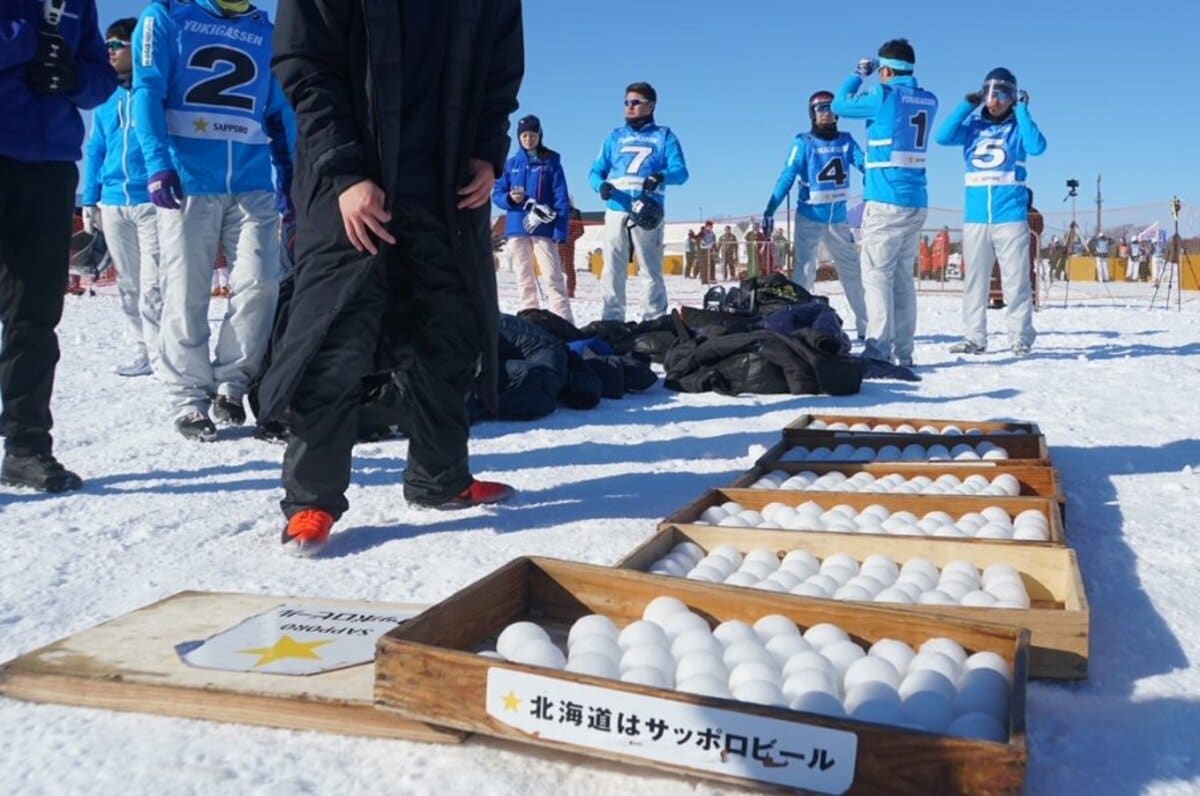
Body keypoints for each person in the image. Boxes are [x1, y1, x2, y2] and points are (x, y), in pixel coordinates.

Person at [264, 1, 524, 553]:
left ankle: (440, 477)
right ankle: (312, 498)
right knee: (334, 337)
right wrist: (344, 170)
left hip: (446, 185)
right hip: (351, 185)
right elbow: (304, 63)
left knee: (449, 332)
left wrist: (487, 153)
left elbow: (502, 71)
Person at [132, 0, 294, 441]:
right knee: (186, 289)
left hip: (252, 182)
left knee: (261, 284)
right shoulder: (166, 15)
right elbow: (147, 90)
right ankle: (188, 399)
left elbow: (281, 112)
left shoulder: (265, 31)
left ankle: (231, 385)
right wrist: (157, 163)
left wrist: (293, 178)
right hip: (190, 181)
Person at [1, 0, 114, 492]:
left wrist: (71, 76)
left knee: (34, 315)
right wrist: (28, 41)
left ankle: (26, 448)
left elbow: (101, 80)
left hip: (50, 165)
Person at [832, 38, 938, 367]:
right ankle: (904, 353)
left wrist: (857, 74)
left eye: (880, 70)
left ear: (887, 70)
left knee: (877, 277)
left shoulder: (884, 94)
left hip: (886, 200)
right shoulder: (928, 99)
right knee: (903, 280)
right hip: (916, 200)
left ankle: (878, 350)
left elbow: (839, 105)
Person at [937, 67, 1045, 356]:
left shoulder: (1018, 128)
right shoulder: (973, 126)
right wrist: (966, 105)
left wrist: (1022, 111)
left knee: (1016, 281)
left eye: (1001, 95)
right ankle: (974, 337)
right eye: (989, 94)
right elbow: (942, 137)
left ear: (1012, 97)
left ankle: (1020, 338)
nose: (994, 101)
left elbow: (1037, 147)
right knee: (975, 282)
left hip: (1010, 216)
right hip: (976, 217)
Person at [80, 18, 160, 378]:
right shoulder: (106, 97)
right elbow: (96, 149)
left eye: (116, 45)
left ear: (136, 48)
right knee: (128, 282)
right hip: (114, 200)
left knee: (155, 282)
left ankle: (163, 352)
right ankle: (143, 349)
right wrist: (90, 200)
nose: (109, 52)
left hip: (153, 199)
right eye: (106, 46)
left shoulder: (155, 89)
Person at [763, 90, 867, 338]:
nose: (826, 113)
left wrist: (875, 183)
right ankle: (796, 322)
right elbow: (788, 174)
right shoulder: (804, 142)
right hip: (810, 217)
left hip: (838, 220)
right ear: (812, 114)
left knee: (852, 273)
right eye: (820, 109)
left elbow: (866, 165)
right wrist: (770, 209)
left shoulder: (846, 141)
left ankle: (868, 325)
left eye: (831, 108)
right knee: (805, 272)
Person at [589, 81, 688, 321]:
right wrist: (600, 185)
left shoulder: (664, 136)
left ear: (651, 106)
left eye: (635, 102)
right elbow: (595, 171)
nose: (629, 107)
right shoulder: (614, 137)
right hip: (616, 208)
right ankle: (612, 319)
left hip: (647, 210)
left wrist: (661, 176)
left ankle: (653, 319)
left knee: (650, 268)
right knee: (612, 268)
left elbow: (681, 172)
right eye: (626, 102)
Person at [492, 114, 572, 323]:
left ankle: (563, 320)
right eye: (524, 135)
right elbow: (497, 193)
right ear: (519, 137)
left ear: (540, 136)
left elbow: (561, 197)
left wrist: (560, 230)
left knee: (553, 275)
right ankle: (530, 317)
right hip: (517, 228)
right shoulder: (510, 164)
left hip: (543, 229)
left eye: (533, 135)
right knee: (524, 276)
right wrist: (509, 199)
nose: (528, 139)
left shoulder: (551, 163)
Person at [559, 203, 584, 297]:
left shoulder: (574, 213)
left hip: (567, 245)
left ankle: (570, 291)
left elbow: (580, 230)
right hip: (555, 243)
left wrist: (569, 239)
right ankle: (556, 290)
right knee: (554, 268)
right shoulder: (554, 210)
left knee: (568, 268)